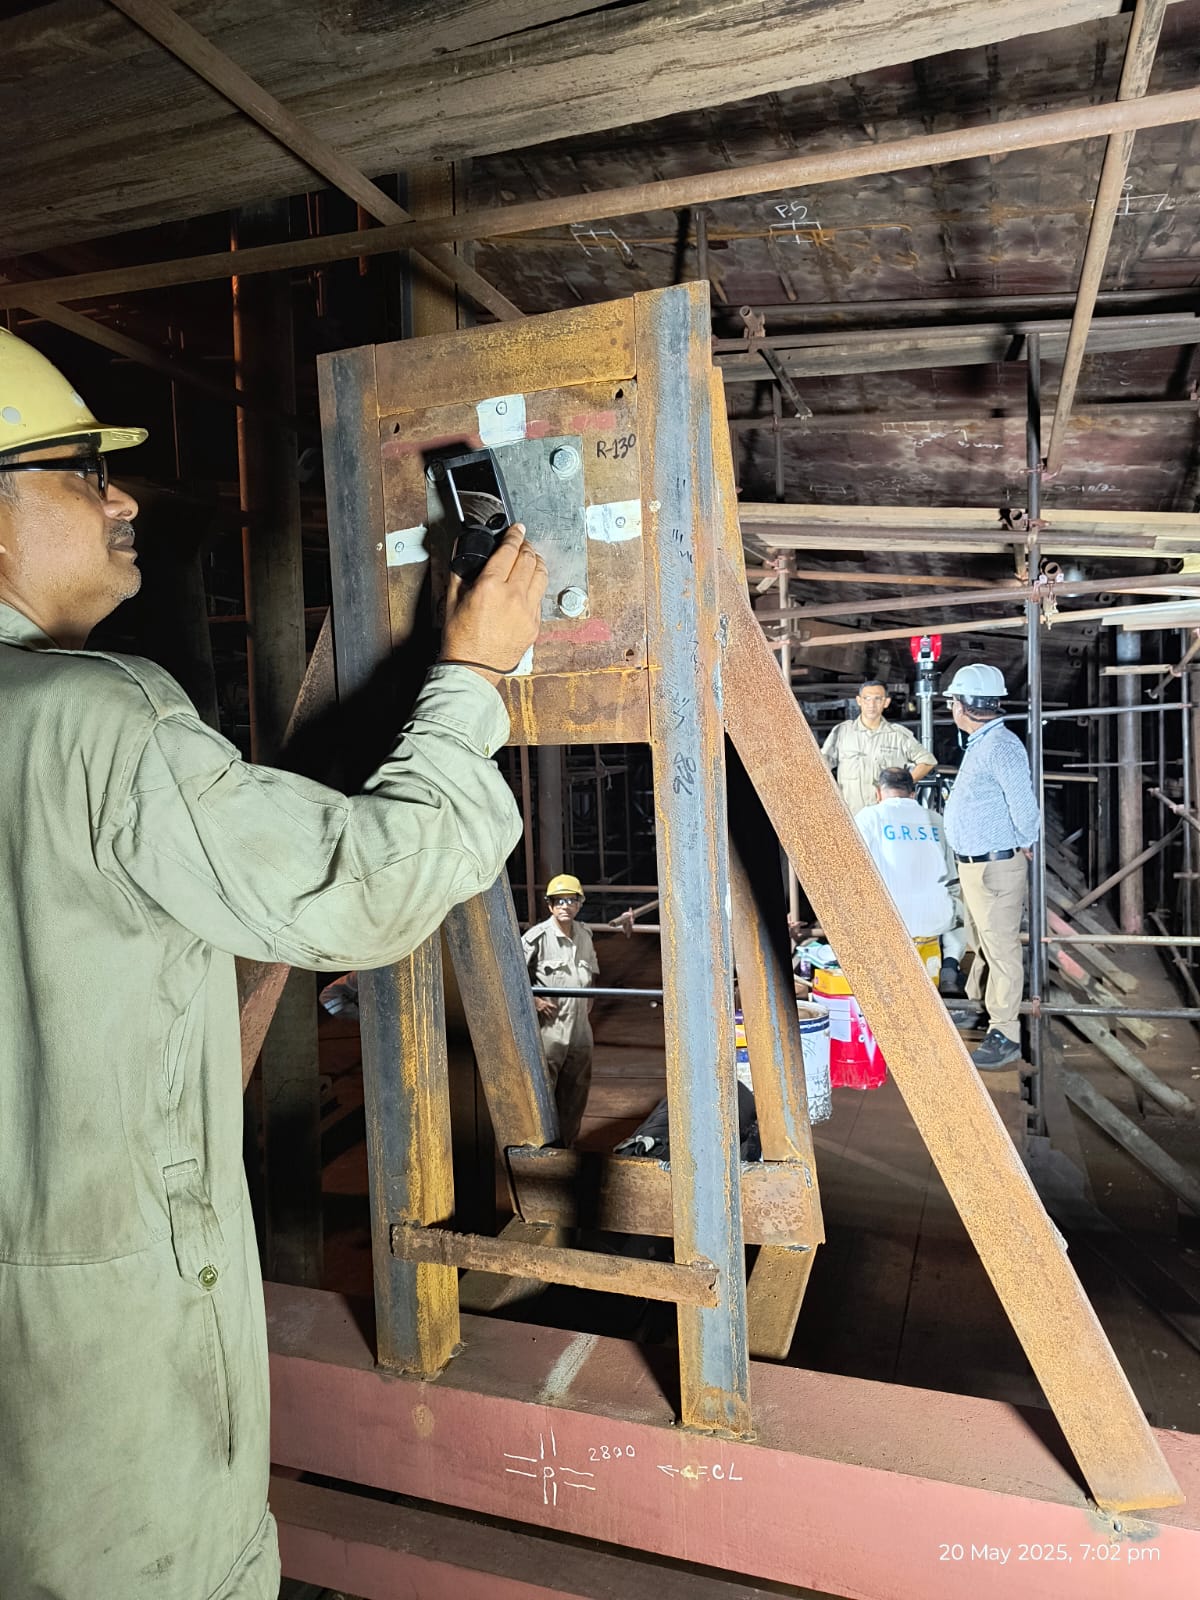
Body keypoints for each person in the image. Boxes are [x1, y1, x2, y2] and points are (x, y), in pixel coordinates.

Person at [0, 328, 547, 1600]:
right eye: (84, 472)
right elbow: (367, 890)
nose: (124, 501)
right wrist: (472, 677)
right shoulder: (94, 716)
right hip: (99, 1387)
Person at [941, 663, 1041, 1070]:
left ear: (962, 705)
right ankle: (980, 1006)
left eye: (953, 700)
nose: (951, 707)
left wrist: (1026, 840)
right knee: (982, 943)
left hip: (995, 867)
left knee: (1000, 949)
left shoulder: (1001, 746)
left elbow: (1025, 806)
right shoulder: (983, 743)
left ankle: (1005, 1032)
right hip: (977, 866)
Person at [855, 768, 962, 970]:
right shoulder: (937, 821)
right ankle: (949, 965)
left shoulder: (869, 818)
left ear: (878, 793)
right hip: (933, 925)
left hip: (888, 926)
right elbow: (951, 881)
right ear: (913, 793)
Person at [522, 874, 599, 1144]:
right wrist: (534, 1001)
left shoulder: (585, 936)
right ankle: (541, 1148)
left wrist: (588, 1002)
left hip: (580, 1030)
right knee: (543, 1091)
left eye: (570, 900)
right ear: (550, 905)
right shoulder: (537, 938)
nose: (565, 906)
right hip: (550, 1030)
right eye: (559, 901)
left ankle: (566, 1148)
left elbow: (592, 972)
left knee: (575, 1093)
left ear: (579, 904)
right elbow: (511, 975)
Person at [821, 678, 937, 816]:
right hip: (851, 815)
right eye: (867, 698)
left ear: (886, 702)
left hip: (888, 816)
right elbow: (820, 765)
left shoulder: (898, 735)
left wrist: (903, 785)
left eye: (877, 699)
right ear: (859, 700)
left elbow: (928, 761)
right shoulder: (842, 732)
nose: (871, 704)